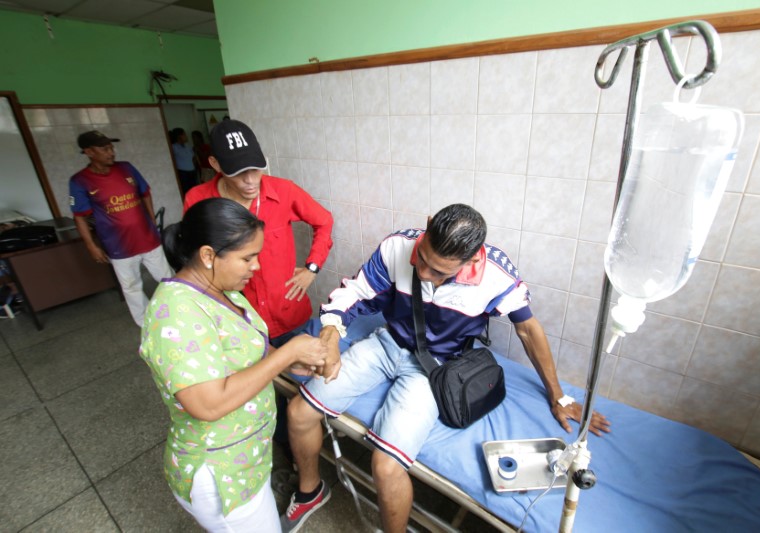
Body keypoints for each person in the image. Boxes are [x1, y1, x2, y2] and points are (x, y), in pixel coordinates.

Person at [284, 204, 612, 533]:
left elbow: (528, 330)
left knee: (385, 467)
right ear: (427, 227)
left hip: (435, 369)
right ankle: (310, 492)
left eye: (440, 272)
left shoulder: (495, 275)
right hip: (386, 343)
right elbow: (356, 291)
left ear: (472, 260)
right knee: (299, 412)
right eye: (423, 260)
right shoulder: (397, 246)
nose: (425, 274)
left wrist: (559, 396)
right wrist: (330, 332)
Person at [139, 197, 328, 532]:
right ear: (208, 255)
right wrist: (288, 352)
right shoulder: (176, 312)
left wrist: (292, 364)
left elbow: (250, 346)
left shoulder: (226, 292)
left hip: (247, 459)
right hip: (220, 472)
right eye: (247, 257)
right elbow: (207, 404)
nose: (256, 266)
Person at [184, 119, 333, 348]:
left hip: (288, 314)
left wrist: (312, 268)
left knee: (300, 375)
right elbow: (194, 259)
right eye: (239, 173)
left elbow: (324, 221)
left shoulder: (284, 190)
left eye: (255, 169)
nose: (251, 180)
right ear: (215, 164)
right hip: (237, 320)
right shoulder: (198, 200)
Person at [69, 130, 173, 327]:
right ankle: (145, 323)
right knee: (131, 286)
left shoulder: (126, 168)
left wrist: (151, 220)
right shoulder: (80, 181)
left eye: (111, 147)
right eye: (105, 148)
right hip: (118, 246)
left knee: (168, 278)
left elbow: (145, 193)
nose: (111, 152)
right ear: (89, 152)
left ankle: (178, 310)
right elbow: (80, 218)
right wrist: (91, 246)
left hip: (147, 238)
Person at [171, 127, 198, 195]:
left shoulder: (188, 146)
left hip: (192, 172)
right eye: (184, 134)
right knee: (187, 192)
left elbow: (193, 157)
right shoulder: (173, 147)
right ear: (179, 136)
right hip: (183, 174)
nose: (186, 136)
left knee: (195, 191)